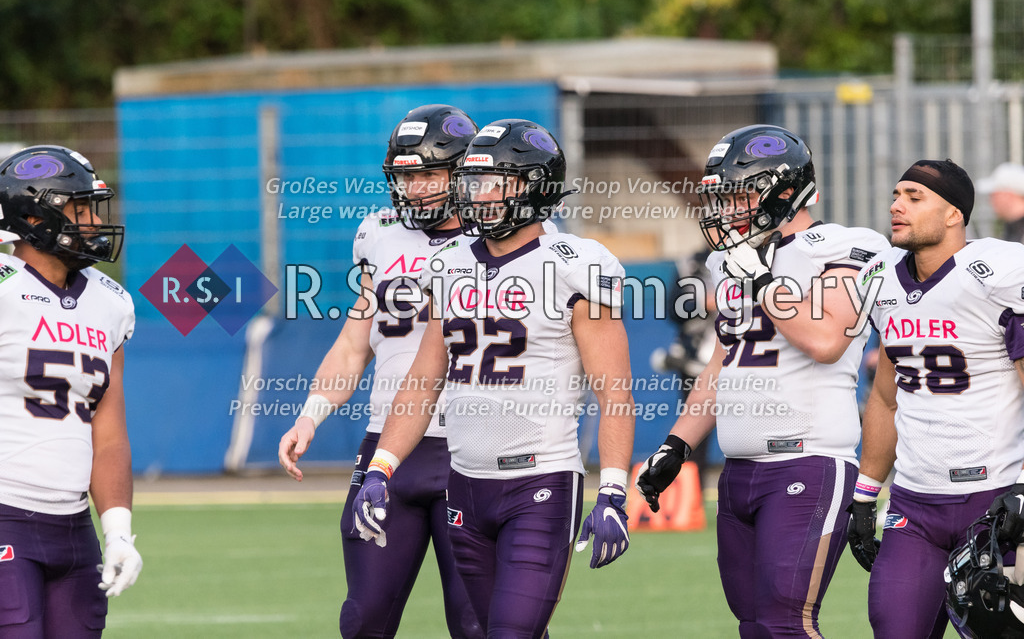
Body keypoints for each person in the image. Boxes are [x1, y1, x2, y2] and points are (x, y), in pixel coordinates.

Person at [350, 118, 635, 637]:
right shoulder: (449, 262)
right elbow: (422, 380)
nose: (476, 196)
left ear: (534, 187)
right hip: (466, 483)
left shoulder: (576, 265)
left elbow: (614, 393)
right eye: (472, 182)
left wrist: (613, 490)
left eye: (491, 183)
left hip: (540, 482)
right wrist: (381, 467)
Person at [635, 124, 889, 637]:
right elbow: (723, 364)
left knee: (785, 623)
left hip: (808, 458)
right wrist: (676, 445)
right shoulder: (729, 261)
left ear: (786, 190)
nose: (728, 207)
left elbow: (825, 340)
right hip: (740, 467)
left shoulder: (843, 246)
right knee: (752, 624)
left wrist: (763, 280)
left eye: (741, 192)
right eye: (723, 195)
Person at [277, 105, 483, 638]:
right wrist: (309, 416)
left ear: (464, 172)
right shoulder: (380, 233)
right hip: (388, 448)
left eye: (428, 174)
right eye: (405, 176)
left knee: (478, 623)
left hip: (475, 448)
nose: (414, 189)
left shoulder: (502, 237)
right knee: (365, 618)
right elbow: (354, 342)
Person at [844, 158, 1024, 638]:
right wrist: (865, 493)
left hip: (995, 500)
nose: (896, 205)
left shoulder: (994, 274)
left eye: (914, 196)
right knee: (894, 627)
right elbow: (885, 397)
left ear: (954, 214)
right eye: (896, 194)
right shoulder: (883, 279)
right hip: (914, 506)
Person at [0, 145, 141, 636]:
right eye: (79, 209)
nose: (92, 222)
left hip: (75, 529)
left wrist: (119, 531)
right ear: (35, 217)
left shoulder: (111, 301)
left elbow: (109, 432)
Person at [977, 161, 1024, 244]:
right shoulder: (1011, 229)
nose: (990, 200)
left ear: (1008, 195)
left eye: (993, 195)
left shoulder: (1017, 231)